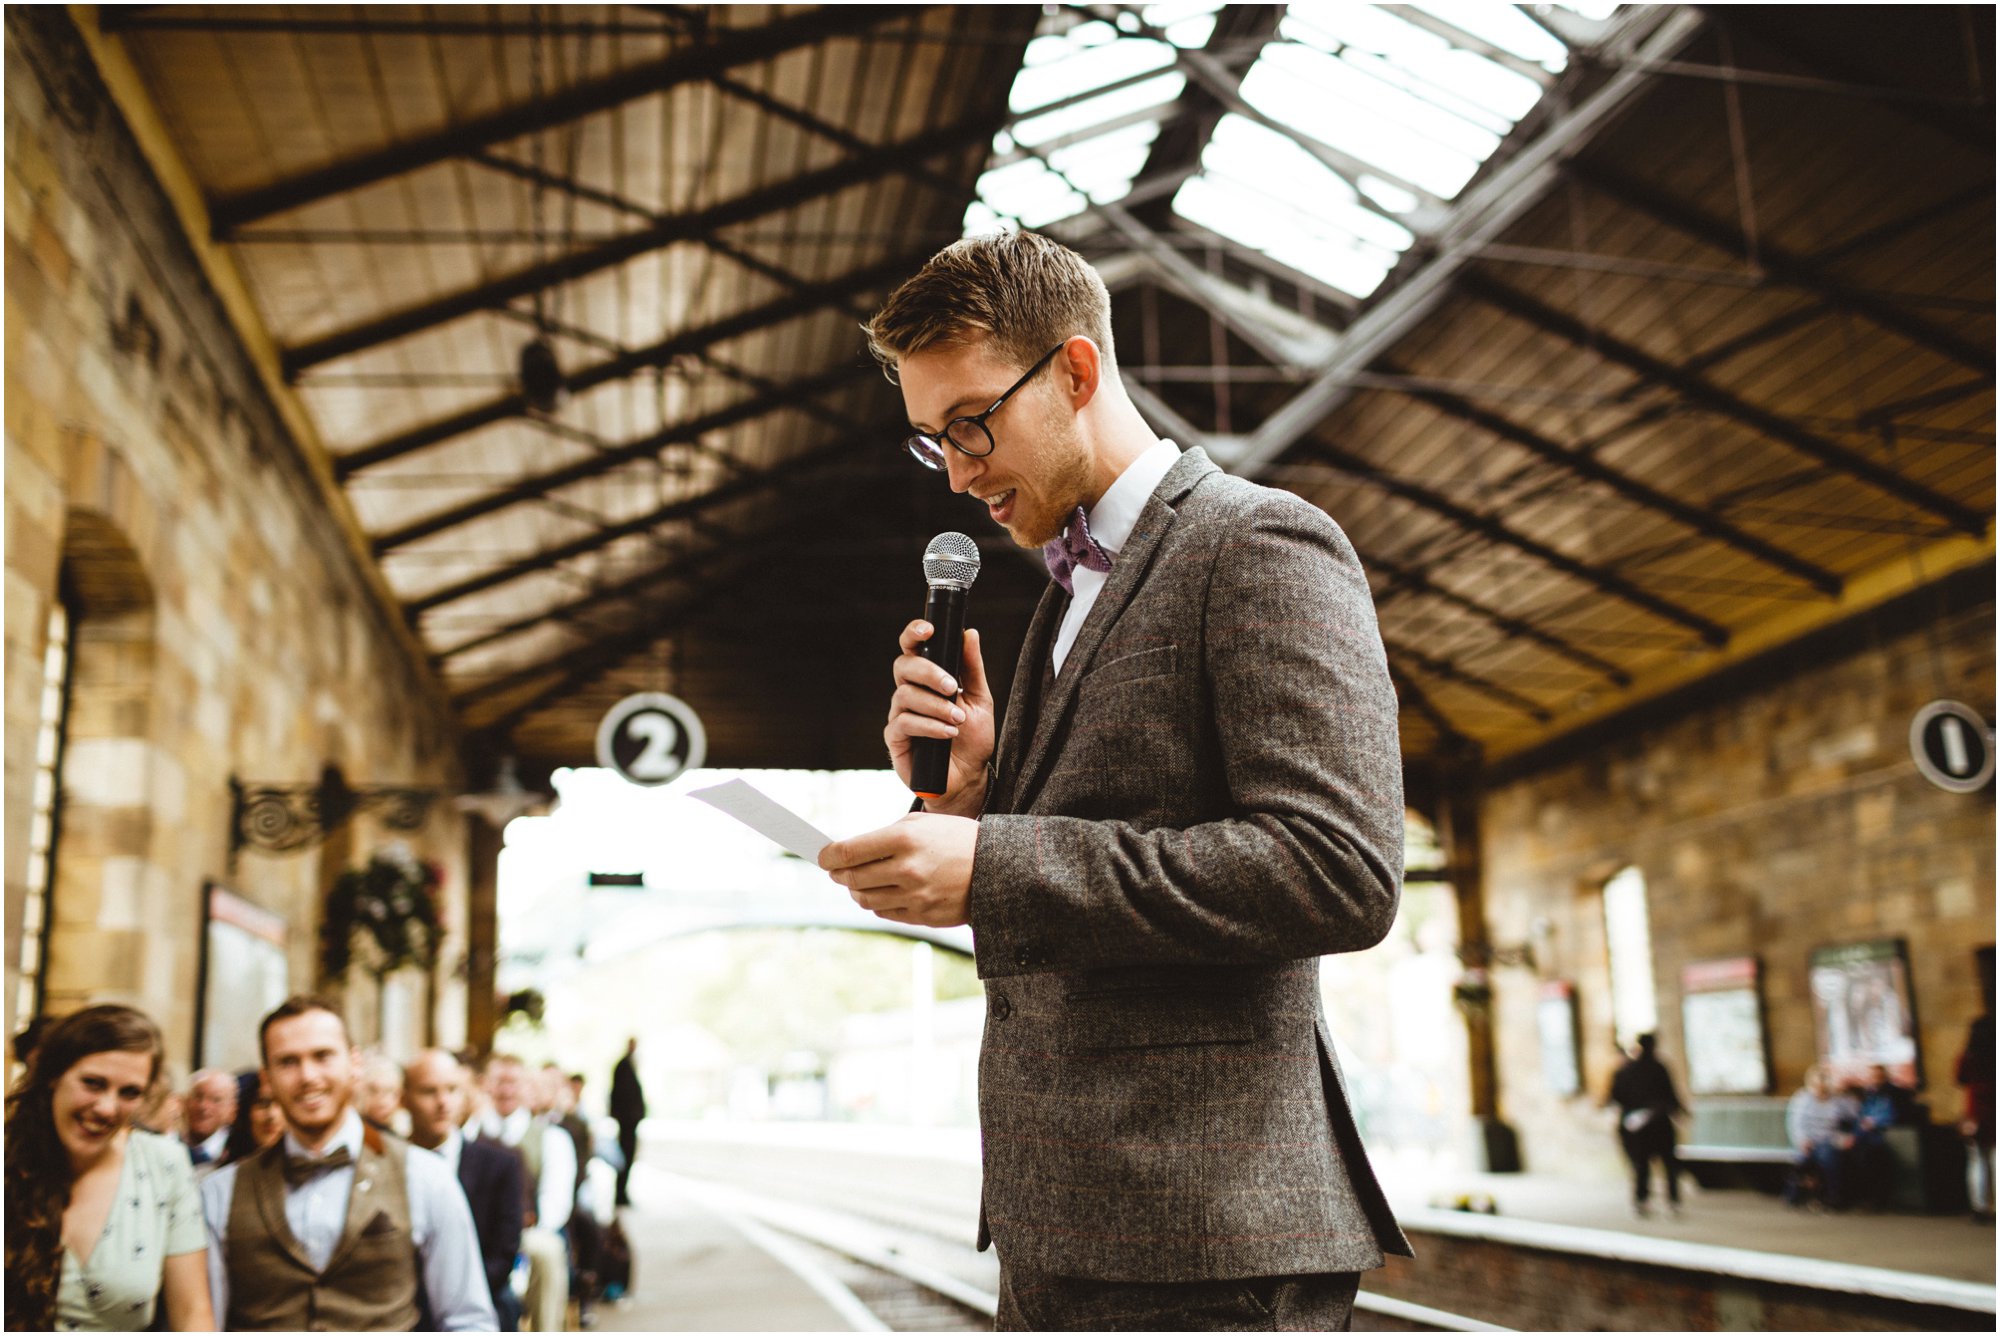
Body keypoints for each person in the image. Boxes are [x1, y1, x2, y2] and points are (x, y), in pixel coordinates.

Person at [818, 230, 1409, 1330]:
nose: (954, 471)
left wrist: (996, 861)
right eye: (929, 441)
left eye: (970, 424)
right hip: (1072, 1229)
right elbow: (1094, 853)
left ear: (1076, 373)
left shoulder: (1260, 544)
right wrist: (977, 799)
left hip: (1202, 1241)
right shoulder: (1064, 594)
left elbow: (1338, 870)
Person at [199, 995, 495, 1330]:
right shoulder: (219, 1193)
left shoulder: (426, 1177)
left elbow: (467, 1320)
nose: (308, 1075)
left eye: (322, 1056)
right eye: (288, 1062)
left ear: (354, 1063)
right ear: (267, 1077)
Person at [3, 1004, 215, 1331]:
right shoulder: (9, 1160)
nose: (106, 1108)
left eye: (129, 1092)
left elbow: (192, 1313)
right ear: (53, 1077)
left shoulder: (163, 1165)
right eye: (93, 1083)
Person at [405, 1049, 526, 1330]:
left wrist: (455, 1291)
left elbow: (504, 1253)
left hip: (481, 1295)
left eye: (452, 1090)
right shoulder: (387, 1165)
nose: (443, 1102)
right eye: (428, 1091)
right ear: (404, 1098)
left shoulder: (500, 1164)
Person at [472, 1054, 572, 1332]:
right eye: (499, 1082)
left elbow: (555, 1204)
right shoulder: (470, 1133)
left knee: (548, 1252)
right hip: (476, 1232)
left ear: (527, 1088)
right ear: (486, 1086)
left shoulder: (551, 1139)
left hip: (525, 1233)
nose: (506, 1090)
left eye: (513, 1082)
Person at [1607, 1033, 1685, 1217]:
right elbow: (1670, 1094)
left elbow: (1616, 1096)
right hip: (1660, 1122)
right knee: (1668, 1163)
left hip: (1635, 1126)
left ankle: (1641, 1200)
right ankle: (1672, 1201)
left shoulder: (1626, 1070)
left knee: (1640, 1164)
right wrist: (1678, 1111)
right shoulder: (1659, 1068)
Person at [1785, 1064, 1859, 1210]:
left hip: (1829, 1140)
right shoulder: (1803, 1099)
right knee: (1807, 1160)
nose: (1821, 1087)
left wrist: (1845, 1092)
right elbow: (1796, 1123)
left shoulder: (1837, 1100)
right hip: (1808, 1142)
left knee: (1830, 1156)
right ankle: (1798, 1195)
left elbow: (1855, 1115)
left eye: (1824, 1083)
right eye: (1818, 1083)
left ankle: (1833, 1197)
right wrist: (1802, 1140)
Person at [1852, 1063, 1914, 1209]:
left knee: (1868, 1154)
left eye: (1878, 1076)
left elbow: (1893, 1116)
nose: (1875, 1079)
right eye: (1873, 1076)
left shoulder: (1893, 1093)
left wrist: (1874, 1123)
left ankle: (1876, 1198)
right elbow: (1861, 1118)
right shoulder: (1869, 1094)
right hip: (1866, 1135)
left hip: (1886, 1135)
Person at [1958, 1009, 1995, 1223]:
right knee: (1996, 1157)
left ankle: (1979, 1205)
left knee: (1976, 1159)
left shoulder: (1968, 1056)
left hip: (1975, 1110)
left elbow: (1960, 1078)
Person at [608, 1038, 645, 1209]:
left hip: (629, 1121)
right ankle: (620, 1194)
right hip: (626, 1122)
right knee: (625, 1157)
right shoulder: (624, 1066)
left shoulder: (628, 1065)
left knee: (628, 1158)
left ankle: (622, 1193)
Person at [181, 1069, 238, 1170]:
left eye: (216, 1100)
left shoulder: (236, 1156)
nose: (203, 1107)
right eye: (198, 1096)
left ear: (232, 1111)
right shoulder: (168, 1145)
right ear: (185, 1101)